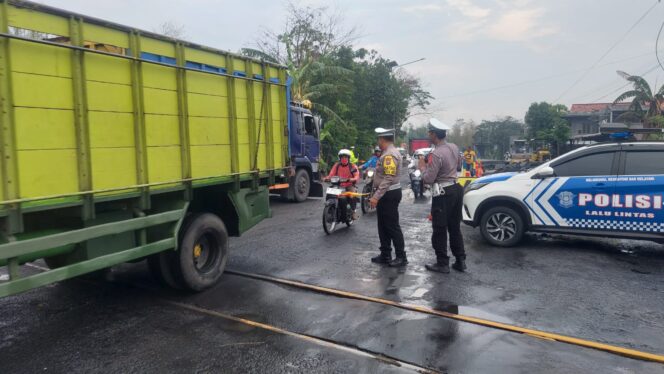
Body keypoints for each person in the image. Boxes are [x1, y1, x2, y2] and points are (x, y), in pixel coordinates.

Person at [419, 118, 467, 273]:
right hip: (456, 188)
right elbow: (459, 165)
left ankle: (442, 263)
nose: (428, 135)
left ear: (434, 135)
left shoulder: (436, 154)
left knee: (439, 228)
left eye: (429, 132)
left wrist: (422, 168)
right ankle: (460, 260)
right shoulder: (454, 147)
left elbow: (428, 179)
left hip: (443, 193)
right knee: (454, 227)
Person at [369, 128, 407, 267]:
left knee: (392, 226)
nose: (378, 142)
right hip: (387, 193)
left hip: (389, 194)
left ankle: (401, 257)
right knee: (383, 225)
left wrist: (376, 196)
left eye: (379, 139)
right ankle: (385, 254)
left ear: (383, 140)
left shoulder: (389, 155)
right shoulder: (387, 153)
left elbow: (389, 178)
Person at [326, 149, 360, 219]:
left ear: (348, 158)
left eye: (346, 157)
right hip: (338, 185)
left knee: (352, 195)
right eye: (342, 157)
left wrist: (353, 179)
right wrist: (327, 178)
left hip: (349, 185)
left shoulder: (352, 166)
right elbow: (331, 174)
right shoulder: (337, 165)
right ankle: (330, 209)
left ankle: (353, 212)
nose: (344, 158)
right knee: (329, 192)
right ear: (340, 158)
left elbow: (356, 175)